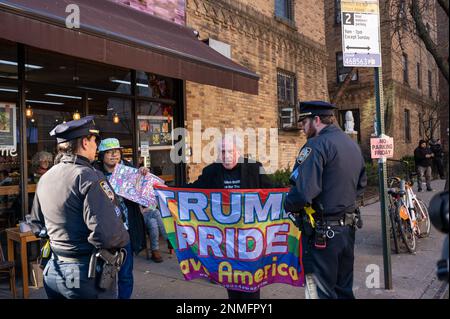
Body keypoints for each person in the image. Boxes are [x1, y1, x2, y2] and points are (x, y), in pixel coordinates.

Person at [30, 116, 130, 299]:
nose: (96, 146)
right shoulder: (88, 176)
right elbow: (109, 234)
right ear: (85, 142)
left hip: (54, 268)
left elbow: (36, 224)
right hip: (82, 273)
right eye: (94, 141)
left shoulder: (46, 177)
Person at [284, 101, 367, 299]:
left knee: (320, 292)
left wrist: (287, 203)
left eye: (304, 122)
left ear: (317, 120)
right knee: (343, 290)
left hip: (322, 234)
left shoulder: (316, 145)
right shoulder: (351, 144)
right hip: (347, 230)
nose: (303, 128)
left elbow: (304, 192)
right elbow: (361, 185)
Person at [184, 135, 278, 300]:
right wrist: (160, 186)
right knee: (232, 286)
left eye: (230, 151)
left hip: (250, 240)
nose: (226, 155)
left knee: (251, 287)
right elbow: (191, 191)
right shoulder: (211, 171)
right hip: (226, 241)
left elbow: (274, 191)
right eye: (222, 151)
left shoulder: (255, 168)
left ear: (239, 152)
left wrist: (296, 195)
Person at [94, 138, 147, 299]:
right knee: (102, 274)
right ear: (102, 155)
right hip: (104, 232)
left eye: (116, 152)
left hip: (126, 230)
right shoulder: (93, 173)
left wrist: (143, 176)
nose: (113, 155)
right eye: (109, 152)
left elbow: (143, 194)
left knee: (125, 274)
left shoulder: (129, 171)